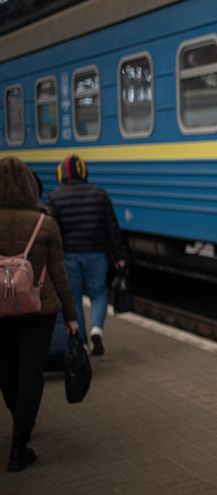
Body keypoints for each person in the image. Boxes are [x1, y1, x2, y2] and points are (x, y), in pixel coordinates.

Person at [0, 156, 79, 472]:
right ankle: (20, 443)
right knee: (32, 372)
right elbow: (59, 274)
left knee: (6, 369)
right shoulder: (44, 223)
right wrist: (72, 317)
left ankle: (18, 418)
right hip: (39, 308)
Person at [47, 154, 127, 355]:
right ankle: (97, 329)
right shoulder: (99, 194)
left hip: (69, 256)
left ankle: (81, 343)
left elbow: (53, 232)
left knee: (74, 299)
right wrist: (119, 256)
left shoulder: (55, 197)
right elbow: (112, 228)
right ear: (84, 172)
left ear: (61, 174)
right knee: (99, 294)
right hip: (96, 254)